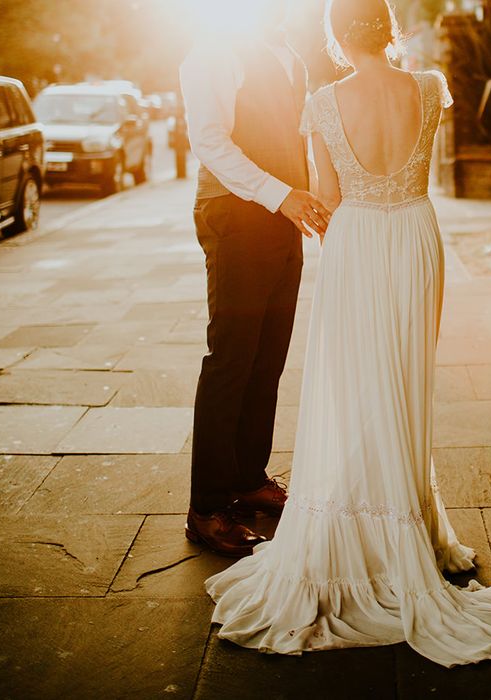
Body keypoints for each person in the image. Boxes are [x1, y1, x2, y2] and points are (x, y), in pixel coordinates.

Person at [205, 0, 491, 667]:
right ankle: (409, 523)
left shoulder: (325, 103)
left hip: (359, 244)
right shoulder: (429, 88)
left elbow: (326, 198)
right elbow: (417, 169)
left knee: (355, 384)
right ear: (389, 27)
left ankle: (368, 525)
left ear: (336, 34)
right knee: (404, 379)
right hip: (417, 238)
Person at [179, 0, 331, 557]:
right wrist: (281, 195)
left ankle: (248, 477)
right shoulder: (213, 50)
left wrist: (312, 202)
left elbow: (294, 142)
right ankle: (207, 506)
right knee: (232, 357)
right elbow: (211, 143)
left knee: (269, 353)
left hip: (282, 218)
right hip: (235, 217)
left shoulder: (290, 54)